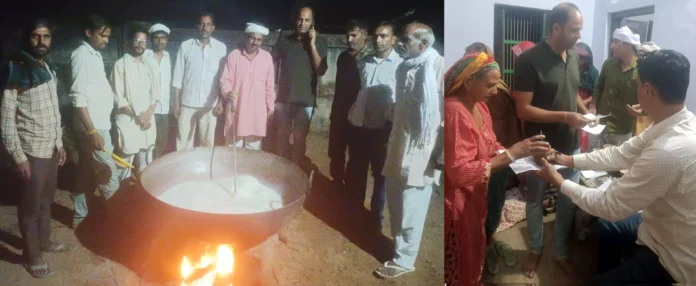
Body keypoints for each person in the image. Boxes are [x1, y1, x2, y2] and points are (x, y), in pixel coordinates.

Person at [536, 49, 693, 284]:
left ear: (648, 89)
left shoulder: (666, 151)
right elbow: (621, 154)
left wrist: (558, 181)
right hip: (657, 226)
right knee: (608, 229)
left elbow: (609, 205)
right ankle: (607, 271)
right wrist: (566, 159)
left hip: (672, 254)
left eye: (638, 84)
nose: (636, 89)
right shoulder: (677, 121)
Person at [442, 52, 550, 285]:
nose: (496, 90)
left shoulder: (480, 106)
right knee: (459, 256)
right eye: (490, 85)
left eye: (498, 83)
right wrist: (512, 154)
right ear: (469, 81)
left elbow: (492, 146)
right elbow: (459, 173)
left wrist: (526, 156)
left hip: (477, 198)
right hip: (459, 203)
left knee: (475, 247)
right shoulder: (453, 112)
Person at [512, 2, 589, 278]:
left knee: (568, 198)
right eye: (574, 29)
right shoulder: (529, 60)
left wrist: (584, 111)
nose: (579, 35)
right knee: (535, 200)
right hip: (541, 146)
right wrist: (566, 117)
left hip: (571, 146)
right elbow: (523, 109)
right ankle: (535, 248)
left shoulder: (574, 55)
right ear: (556, 28)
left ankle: (560, 252)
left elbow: (571, 89)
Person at [1, 18, 72, 278]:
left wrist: (60, 144)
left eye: (46, 36)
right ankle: (32, 257)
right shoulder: (16, 69)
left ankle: (43, 242)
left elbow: (54, 112)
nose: (41, 42)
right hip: (31, 152)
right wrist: (19, 157)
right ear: (27, 38)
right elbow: (6, 119)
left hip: (50, 150)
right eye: (36, 36)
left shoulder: (48, 67)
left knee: (46, 202)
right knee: (30, 209)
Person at [373, 22, 442, 279]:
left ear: (423, 45)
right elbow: (398, 106)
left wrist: (441, 154)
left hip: (423, 149)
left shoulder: (437, 66)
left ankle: (404, 260)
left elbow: (445, 115)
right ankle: (399, 247)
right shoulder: (404, 67)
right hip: (398, 144)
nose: (400, 43)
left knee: (413, 203)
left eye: (405, 39)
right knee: (395, 198)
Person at [463, 41, 529, 275]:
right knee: (483, 204)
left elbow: (500, 127)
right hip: (488, 158)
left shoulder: (495, 88)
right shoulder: (466, 100)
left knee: (492, 201)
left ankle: (487, 241)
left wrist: (510, 152)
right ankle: (483, 245)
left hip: (499, 152)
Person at [345, 22, 402, 233]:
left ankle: (375, 219)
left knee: (381, 176)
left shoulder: (400, 65)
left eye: (384, 36)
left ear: (393, 39)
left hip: (384, 131)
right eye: (376, 36)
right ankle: (355, 214)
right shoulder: (364, 62)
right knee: (357, 172)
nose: (379, 40)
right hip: (361, 129)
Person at [70, 15, 120, 229]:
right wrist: (92, 132)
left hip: (100, 124)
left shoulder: (95, 55)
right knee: (109, 176)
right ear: (89, 33)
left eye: (108, 36)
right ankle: (121, 225)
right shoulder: (81, 56)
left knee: (90, 172)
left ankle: (80, 216)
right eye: (102, 35)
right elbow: (77, 98)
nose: (106, 40)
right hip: (93, 127)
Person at [272, 6, 328, 166]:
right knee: (281, 139)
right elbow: (269, 61)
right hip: (283, 100)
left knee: (299, 142)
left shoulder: (320, 42)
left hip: (305, 103)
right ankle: (279, 172)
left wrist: (312, 45)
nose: (303, 23)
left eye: (307, 20)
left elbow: (321, 70)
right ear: (295, 20)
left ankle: (295, 175)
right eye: (300, 19)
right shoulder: (285, 40)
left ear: (312, 22)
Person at [172, 12, 227, 150]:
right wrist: (176, 103)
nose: (205, 27)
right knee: (183, 141)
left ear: (213, 27)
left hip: (210, 104)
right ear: (197, 26)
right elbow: (177, 77)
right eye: (202, 23)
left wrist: (221, 101)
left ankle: (204, 171)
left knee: (207, 143)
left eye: (208, 24)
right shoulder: (186, 46)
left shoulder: (221, 48)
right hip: (187, 102)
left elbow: (223, 78)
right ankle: (183, 170)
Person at [216, 23, 275, 150]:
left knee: (253, 152)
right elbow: (225, 79)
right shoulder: (234, 55)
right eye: (252, 38)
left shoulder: (267, 58)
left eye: (259, 40)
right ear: (246, 37)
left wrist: (270, 107)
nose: (255, 42)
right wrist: (227, 92)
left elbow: (269, 86)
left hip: (257, 113)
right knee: (232, 151)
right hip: (237, 109)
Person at [111, 27, 159, 181]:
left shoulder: (149, 65)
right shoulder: (120, 65)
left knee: (145, 164)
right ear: (130, 42)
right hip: (129, 120)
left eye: (144, 41)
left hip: (147, 121)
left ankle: (141, 196)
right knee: (124, 164)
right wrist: (138, 116)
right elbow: (118, 97)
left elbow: (155, 94)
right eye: (137, 40)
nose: (140, 44)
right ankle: (121, 196)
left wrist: (148, 115)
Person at [329, 19, 371, 190]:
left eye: (354, 35)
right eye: (348, 36)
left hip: (360, 115)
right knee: (336, 150)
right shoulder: (343, 58)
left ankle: (353, 189)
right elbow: (339, 88)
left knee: (357, 154)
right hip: (340, 112)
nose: (350, 39)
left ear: (365, 35)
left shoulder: (371, 59)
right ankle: (337, 182)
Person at [593, 26, 641, 146]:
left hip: (621, 130)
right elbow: (599, 88)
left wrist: (640, 111)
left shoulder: (641, 70)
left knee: (617, 163)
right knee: (592, 160)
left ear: (628, 45)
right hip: (599, 124)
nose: (611, 46)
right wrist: (593, 108)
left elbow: (648, 101)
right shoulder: (609, 64)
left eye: (615, 42)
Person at [144, 23, 172, 158]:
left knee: (162, 141)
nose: (160, 41)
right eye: (156, 38)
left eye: (163, 38)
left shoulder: (170, 57)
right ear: (151, 39)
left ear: (167, 40)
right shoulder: (145, 56)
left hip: (164, 108)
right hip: (149, 108)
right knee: (148, 142)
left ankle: (156, 170)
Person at [631, 41, 661, 136]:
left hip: (652, 124)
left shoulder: (659, 80)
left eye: (642, 56)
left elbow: (660, 104)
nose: (638, 60)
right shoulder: (639, 74)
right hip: (639, 121)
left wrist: (643, 111)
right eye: (638, 56)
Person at [574, 42, 600, 151]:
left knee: (584, 134)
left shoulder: (593, 72)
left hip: (586, 107)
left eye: (583, 57)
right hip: (573, 105)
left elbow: (596, 92)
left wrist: (588, 103)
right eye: (578, 56)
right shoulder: (571, 68)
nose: (580, 60)